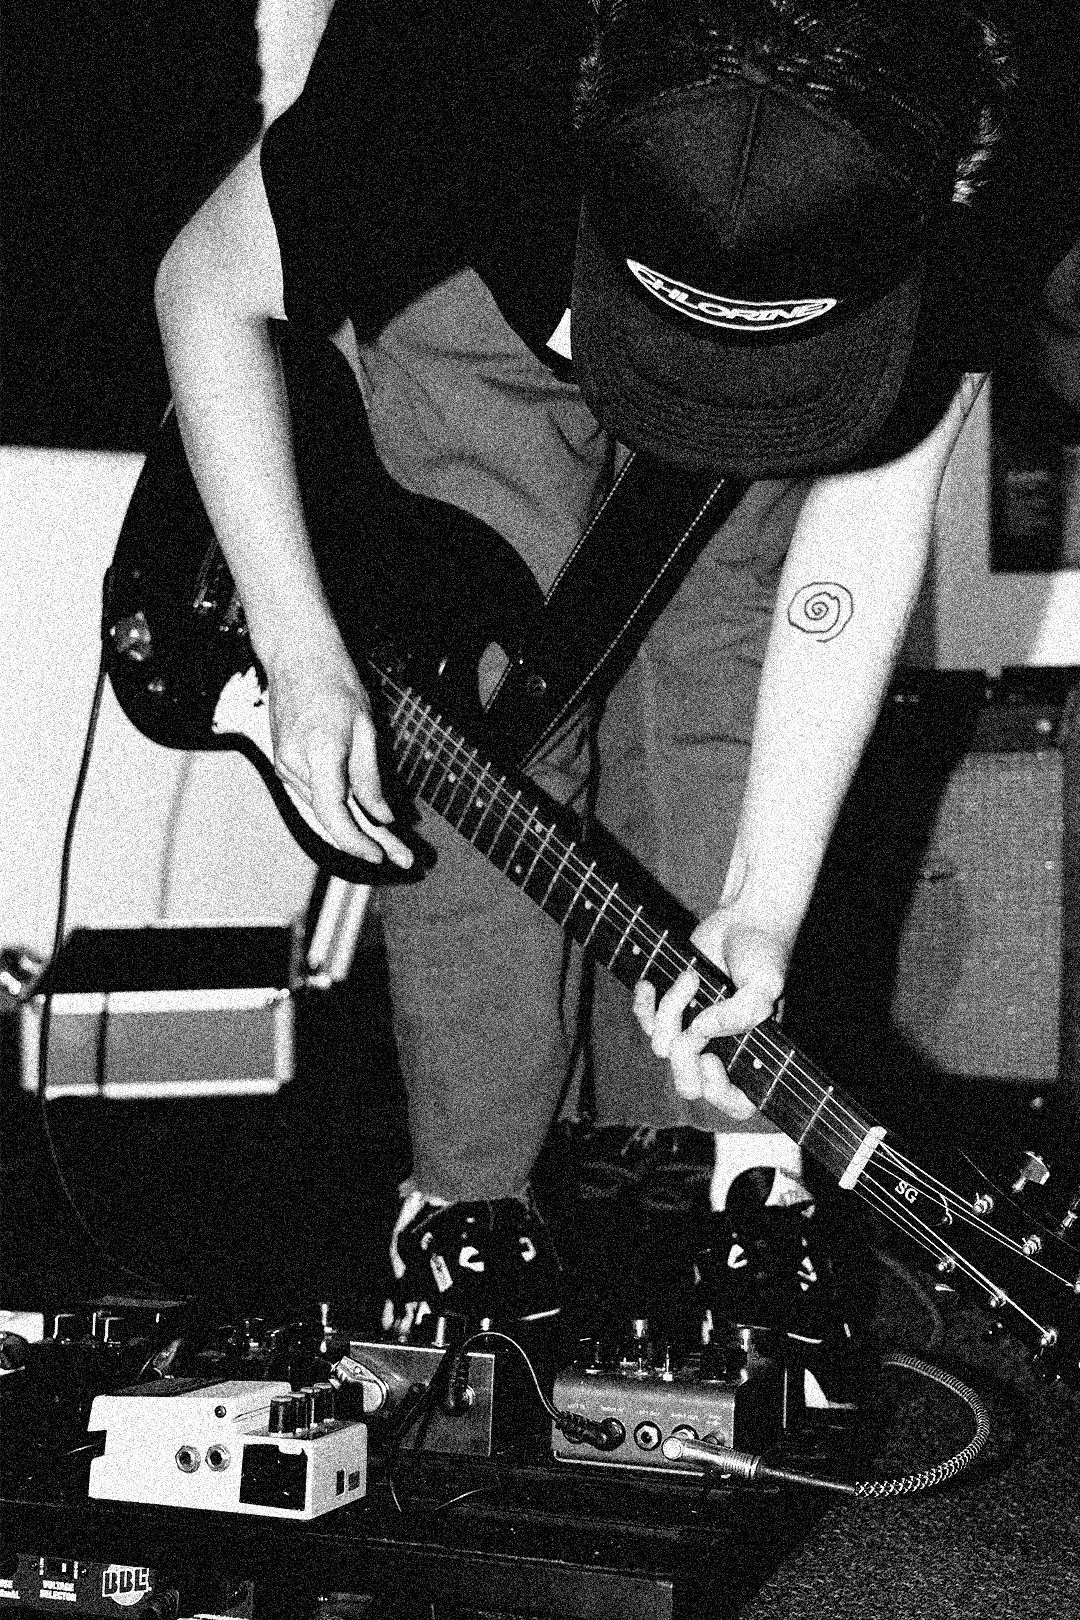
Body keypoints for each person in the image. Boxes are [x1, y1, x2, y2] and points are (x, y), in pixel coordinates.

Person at [153, 0, 1077, 1361]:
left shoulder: (1002, 138)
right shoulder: (452, 67)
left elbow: (861, 532)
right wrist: (303, 656)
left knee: (734, 657)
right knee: (484, 703)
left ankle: (744, 1167)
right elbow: (205, 285)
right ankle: (466, 1202)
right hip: (485, 296)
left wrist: (763, 904)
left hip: (806, 290)